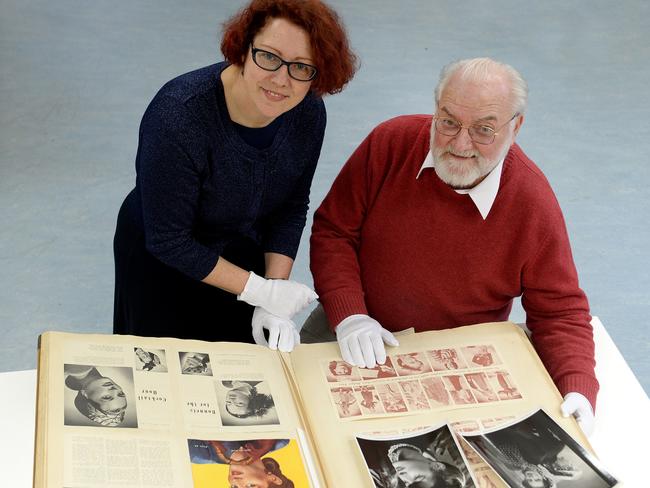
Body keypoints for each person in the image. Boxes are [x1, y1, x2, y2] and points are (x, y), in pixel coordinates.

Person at [309, 57, 598, 434]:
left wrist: (576, 384)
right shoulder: (390, 142)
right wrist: (349, 315)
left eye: (484, 130)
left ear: (516, 128)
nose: (461, 144)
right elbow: (334, 231)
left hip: (453, 361)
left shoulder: (532, 203)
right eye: (448, 122)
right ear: (435, 112)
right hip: (351, 327)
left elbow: (559, 312)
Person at [113, 0, 357, 352]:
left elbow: (289, 206)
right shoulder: (178, 115)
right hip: (163, 265)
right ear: (243, 48)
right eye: (269, 57)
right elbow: (169, 239)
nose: (281, 79)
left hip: (243, 258)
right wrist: (260, 291)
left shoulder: (307, 112)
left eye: (302, 67)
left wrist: (274, 291)